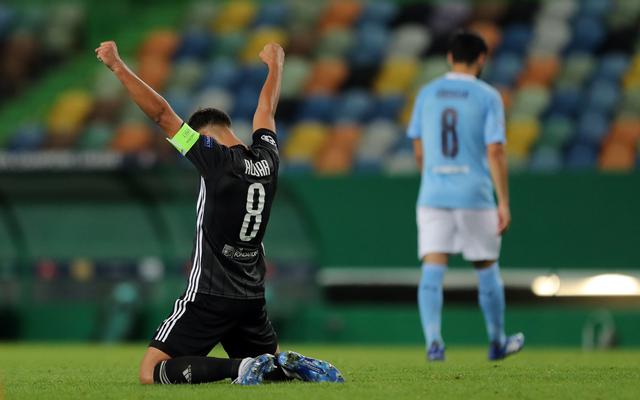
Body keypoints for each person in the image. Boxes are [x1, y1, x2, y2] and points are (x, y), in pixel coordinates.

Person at [95, 40, 343, 385]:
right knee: (269, 368)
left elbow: (162, 115)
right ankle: (290, 366)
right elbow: (265, 112)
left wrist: (118, 66)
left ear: (204, 136)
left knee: (151, 372)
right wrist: (276, 67)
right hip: (252, 296)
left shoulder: (213, 160)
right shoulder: (268, 159)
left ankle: (237, 369)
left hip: (209, 294)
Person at [407, 31, 524, 362]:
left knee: (432, 266)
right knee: (486, 267)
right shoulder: (488, 96)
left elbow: (418, 148)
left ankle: (433, 341)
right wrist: (503, 201)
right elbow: (496, 150)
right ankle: (497, 341)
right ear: (482, 59)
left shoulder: (427, 93)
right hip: (474, 193)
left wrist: (431, 177)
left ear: (449, 57)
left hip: (433, 193)